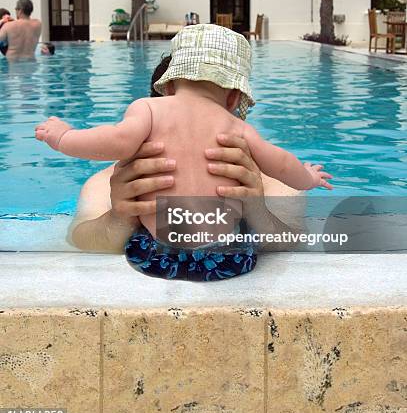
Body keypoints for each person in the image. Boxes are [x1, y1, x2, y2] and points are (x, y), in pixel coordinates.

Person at [36, 25, 332, 281]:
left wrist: (64, 137)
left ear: (167, 91)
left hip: (156, 257)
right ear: (233, 99)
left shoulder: (147, 110)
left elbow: (116, 139)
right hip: (231, 260)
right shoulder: (239, 129)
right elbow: (283, 164)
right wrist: (119, 217)